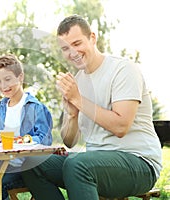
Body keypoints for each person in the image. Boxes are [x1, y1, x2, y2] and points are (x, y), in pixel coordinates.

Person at [21, 14, 162, 200]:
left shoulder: (123, 69)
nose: (72, 53)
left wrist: (78, 100)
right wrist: (72, 115)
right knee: (30, 163)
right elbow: (70, 141)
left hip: (139, 163)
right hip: (95, 163)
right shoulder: (78, 81)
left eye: (77, 43)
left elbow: (121, 127)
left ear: (92, 38)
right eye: (65, 48)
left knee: (78, 165)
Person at [0, 54, 53, 200]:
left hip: (26, 168)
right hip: (2, 165)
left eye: (8, 79)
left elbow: (45, 140)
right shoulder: (2, 106)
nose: (3, 86)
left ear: (20, 77)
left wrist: (19, 140)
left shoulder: (35, 107)